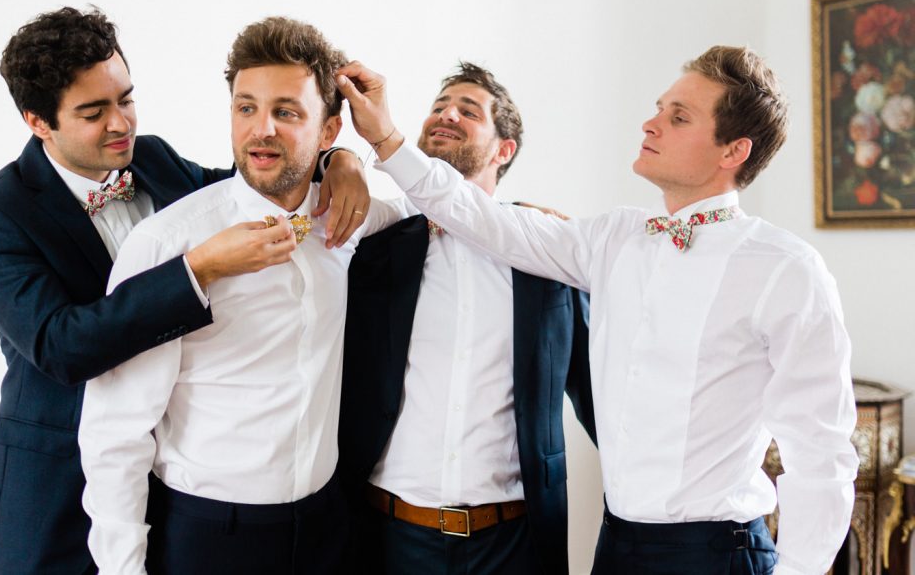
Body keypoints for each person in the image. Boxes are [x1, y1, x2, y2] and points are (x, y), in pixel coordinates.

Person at [337, 46, 859, 575]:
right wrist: (376, 143)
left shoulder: (786, 268)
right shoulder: (613, 239)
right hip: (615, 547)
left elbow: (822, 454)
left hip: (717, 551)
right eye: (659, 108)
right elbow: (480, 217)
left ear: (733, 152)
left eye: (678, 117)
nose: (651, 124)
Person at [0, 7, 370, 575]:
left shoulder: (154, 159)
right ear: (38, 121)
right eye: (95, 112)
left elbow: (255, 181)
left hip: (174, 493)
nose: (121, 124)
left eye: (126, 99)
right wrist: (194, 270)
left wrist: (336, 159)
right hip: (53, 493)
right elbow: (60, 347)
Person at [78, 16, 407, 575]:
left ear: (328, 131)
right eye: (246, 107)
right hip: (212, 536)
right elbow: (116, 429)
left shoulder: (349, 218)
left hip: (328, 525)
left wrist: (353, 163)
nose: (262, 130)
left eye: (286, 111)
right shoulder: (167, 242)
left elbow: (414, 215)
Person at [338, 62, 594, 575]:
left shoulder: (550, 258)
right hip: (388, 539)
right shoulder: (374, 249)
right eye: (437, 106)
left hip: (516, 544)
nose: (445, 115)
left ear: (504, 150)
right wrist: (342, 155)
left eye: (468, 110)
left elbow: (596, 394)